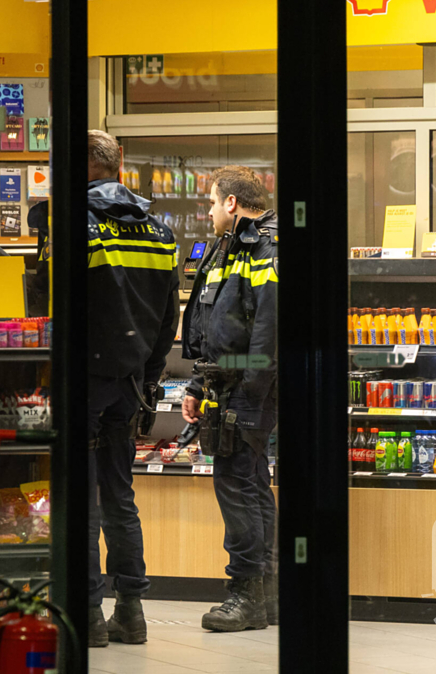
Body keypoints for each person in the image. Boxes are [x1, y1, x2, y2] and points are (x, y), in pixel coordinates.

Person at [86, 130, 180, 647]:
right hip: (130, 383)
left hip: (84, 379)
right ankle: (131, 610)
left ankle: (88, 614)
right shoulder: (161, 233)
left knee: (82, 498)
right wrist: (148, 376)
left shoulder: (75, 225)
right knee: (120, 494)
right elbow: (169, 320)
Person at [181, 165, 278, 632]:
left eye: (214, 202)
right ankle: (266, 593)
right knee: (251, 482)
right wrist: (199, 385)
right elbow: (210, 321)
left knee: (237, 486)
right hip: (225, 384)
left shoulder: (265, 246)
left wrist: (249, 392)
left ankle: (245, 595)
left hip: (246, 387)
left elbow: (269, 327)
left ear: (233, 204)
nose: (210, 210)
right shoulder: (228, 247)